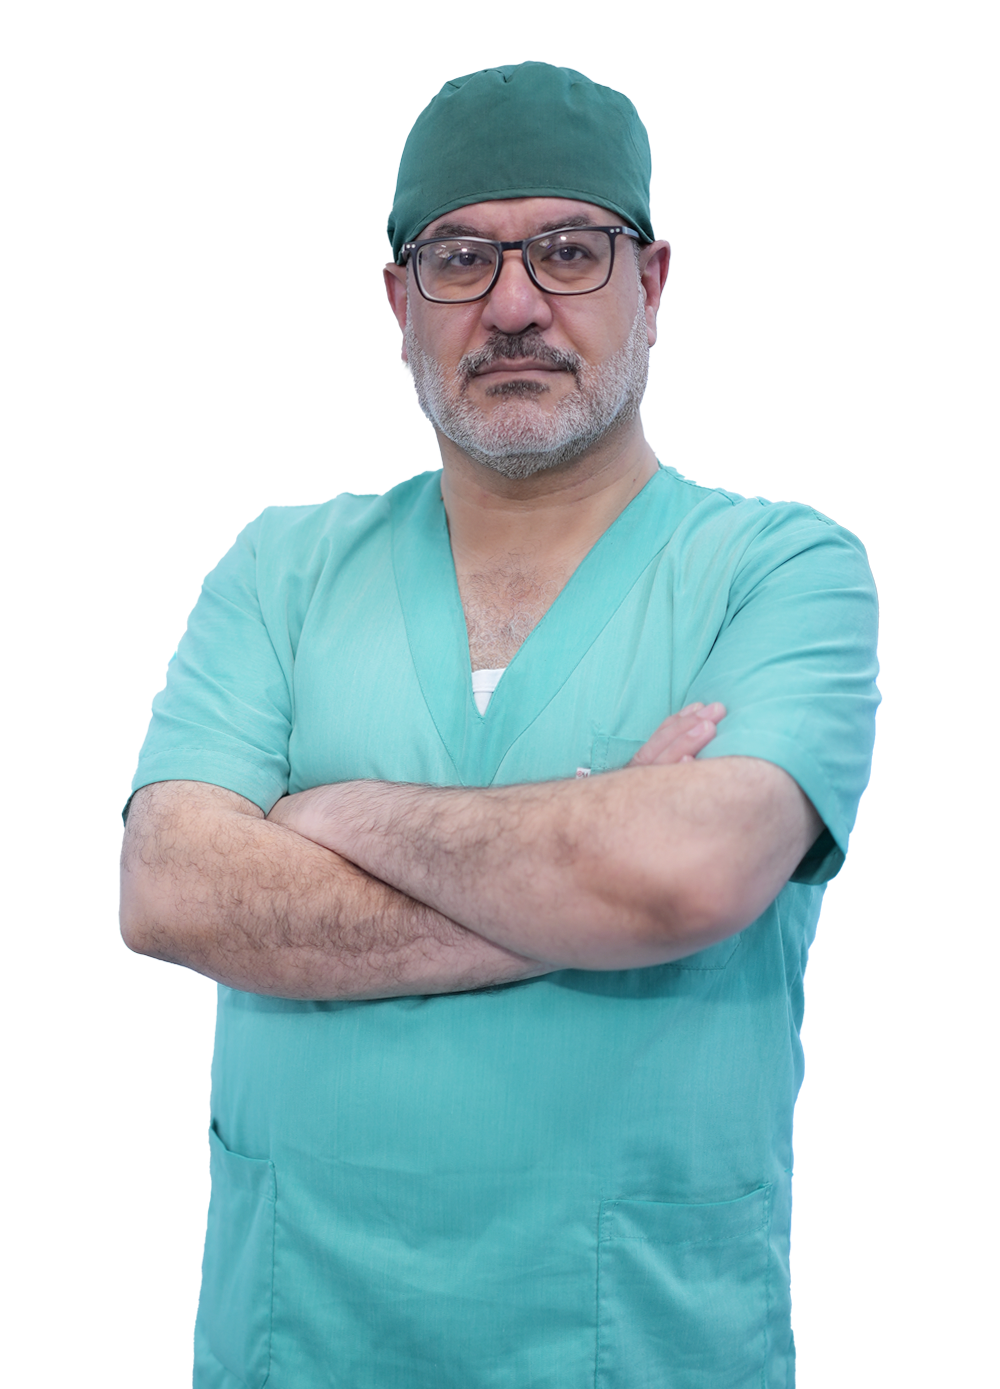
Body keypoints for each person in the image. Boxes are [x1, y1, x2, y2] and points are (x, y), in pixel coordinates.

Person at [119, 62, 879, 1389]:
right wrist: (584, 880)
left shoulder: (781, 571)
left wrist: (340, 816)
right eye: (461, 258)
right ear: (400, 303)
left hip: (632, 1342)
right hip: (307, 1335)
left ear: (651, 285)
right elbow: (170, 886)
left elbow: (687, 875)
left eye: (569, 251)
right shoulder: (283, 571)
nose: (515, 304)